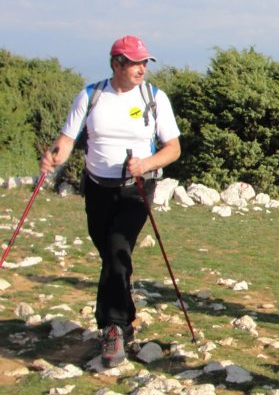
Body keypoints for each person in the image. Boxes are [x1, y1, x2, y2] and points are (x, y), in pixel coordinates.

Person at [39, 36, 182, 367]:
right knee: (111, 256)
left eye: (145, 62)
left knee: (118, 250)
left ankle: (112, 329)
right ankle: (125, 320)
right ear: (116, 63)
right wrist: (53, 158)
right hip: (97, 188)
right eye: (135, 63)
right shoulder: (91, 96)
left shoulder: (154, 98)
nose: (142, 69)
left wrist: (146, 164)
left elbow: (173, 148)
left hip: (137, 188)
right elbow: (67, 140)